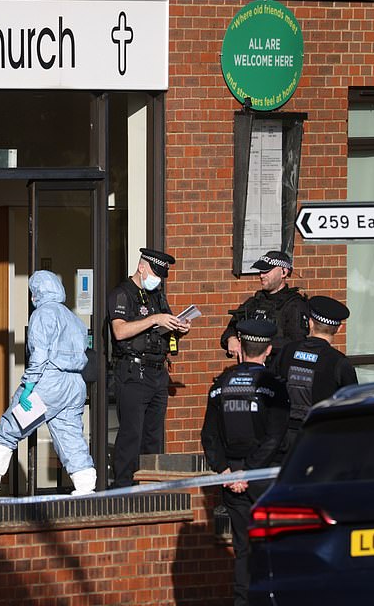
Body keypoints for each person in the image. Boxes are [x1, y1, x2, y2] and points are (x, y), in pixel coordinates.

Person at [0, 270, 97, 495]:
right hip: (74, 385)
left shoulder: (42, 314)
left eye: (33, 293)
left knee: (7, 429)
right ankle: (86, 487)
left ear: (37, 293)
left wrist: (28, 386)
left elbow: (40, 354)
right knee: (70, 435)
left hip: (48, 383)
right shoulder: (73, 318)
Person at [201, 319, 289, 606]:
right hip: (263, 477)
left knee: (243, 548)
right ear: (268, 350)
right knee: (272, 546)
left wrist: (226, 471)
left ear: (241, 348)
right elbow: (274, 438)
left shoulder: (220, 384)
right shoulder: (274, 387)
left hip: (231, 478)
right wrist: (248, 472)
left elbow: (209, 437)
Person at [108, 248, 191, 488]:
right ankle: (123, 490)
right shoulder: (122, 294)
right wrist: (155, 319)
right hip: (134, 373)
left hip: (157, 372)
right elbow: (120, 331)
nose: (157, 278)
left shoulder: (157, 296)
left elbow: (162, 331)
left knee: (153, 437)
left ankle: (150, 489)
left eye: (161, 275)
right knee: (131, 436)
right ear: (142, 267)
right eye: (155, 272)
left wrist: (178, 327)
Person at [272, 295, 357, 458]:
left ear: (310, 323)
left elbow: (272, 388)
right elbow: (352, 407)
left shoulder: (287, 351)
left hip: (283, 439)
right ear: (339, 329)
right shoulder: (338, 362)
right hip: (320, 439)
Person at [221, 250, 309, 363]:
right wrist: (231, 339)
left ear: (283, 272)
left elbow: (297, 343)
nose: (261, 275)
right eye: (261, 271)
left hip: (277, 372)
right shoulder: (254, 301)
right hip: (250, 371)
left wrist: (257, 344)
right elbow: (231, 328)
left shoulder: (294, 304)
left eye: (266, 271)